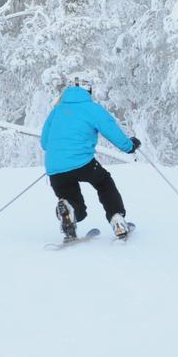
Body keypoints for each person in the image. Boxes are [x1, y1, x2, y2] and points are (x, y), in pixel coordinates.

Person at [40, 77, 140, 241]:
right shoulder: (91, 108)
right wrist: (129, 146)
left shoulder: (56, 111)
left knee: (74, 204)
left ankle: (69, 213)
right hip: (82, 163)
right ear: (88, 93)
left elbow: (45, 143)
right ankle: (117, 219)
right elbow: (110, 129)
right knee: (104, 183)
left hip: (55, 167)